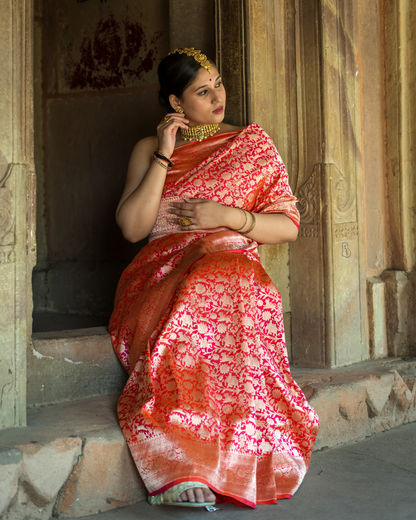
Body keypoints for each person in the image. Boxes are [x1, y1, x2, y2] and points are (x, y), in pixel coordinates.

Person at [109, 47, 319, 509]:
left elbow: (288, 225)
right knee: (216, 279)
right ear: (176, 104)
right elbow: (132, 229)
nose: (218, 96)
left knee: (232, 272)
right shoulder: (149, 148)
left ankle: (237, 459)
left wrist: (227, 216)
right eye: (203, 92)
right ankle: (181, 462)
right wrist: (165, 154)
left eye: (219, 84)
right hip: (162, 274)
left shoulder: (250, 143)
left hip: (231, 269)